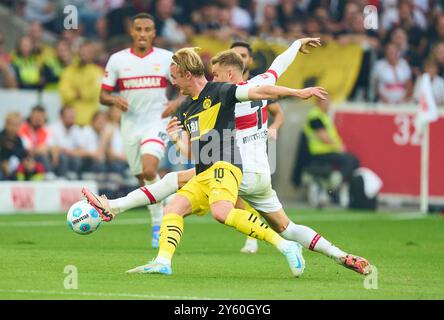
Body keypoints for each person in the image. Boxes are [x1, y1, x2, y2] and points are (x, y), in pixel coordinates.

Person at [84, 45, 369, 277]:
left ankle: (114, 206)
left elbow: (262, 91)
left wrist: (298, 93)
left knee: (186, 189)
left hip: (234, 168)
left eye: (218, 72)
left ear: (230, 73)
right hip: (253, 175)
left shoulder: (226, 92)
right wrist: (296, 45)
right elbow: (276, 69)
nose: (214, 76)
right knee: (283, 224)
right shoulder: (203, 102)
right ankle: (341, 255)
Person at [99, 13, 184, 248]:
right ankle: (162, 210)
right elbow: (103, 95)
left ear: (154, 33)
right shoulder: (117, 60)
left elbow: (186, 86)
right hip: (130, 125)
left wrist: (175, 104)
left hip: (156, 122)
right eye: (139, 29)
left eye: (148, 29)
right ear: (132, 32)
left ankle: (159, 222)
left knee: (149, 170)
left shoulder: (167, 58)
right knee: (143, 180)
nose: (143, 34)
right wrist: (115, 100)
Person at [230, 40, 285, 254]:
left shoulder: (259, 87)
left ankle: (254, 237)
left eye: (243, 55)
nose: (240, 59)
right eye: (235, 55)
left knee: (246, 192)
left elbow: (279, 113)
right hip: (229, 144)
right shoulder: (224, 87)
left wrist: (274, 128)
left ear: (250, 60)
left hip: (255, 147)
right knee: (235, 196)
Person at [303, 96, 360, 206]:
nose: (328, 104)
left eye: (329, 101)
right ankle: (335, 184)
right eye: (325, 101)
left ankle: (338, 184)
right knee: (349, 160)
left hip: (328, 151)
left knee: (353, 159)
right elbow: (323, 136)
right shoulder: (315, 116)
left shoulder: (324, 116)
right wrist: (338, 147)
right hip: (319, 152)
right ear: (318, 102)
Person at [59, 40, 103, 126]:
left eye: (87, 52)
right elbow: (64, 92)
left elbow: (97, 92)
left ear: (92, 54)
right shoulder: (68, 71)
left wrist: (77, 93)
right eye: (82, 52)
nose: (84, 55)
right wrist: (84, 93)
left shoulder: (98, 72)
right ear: (77, 53)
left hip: (90, 122)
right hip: (70, 122)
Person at [48, 106, 84, 179]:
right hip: (56, 157)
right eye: (69, 116)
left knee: (77, 159)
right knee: (63, 157)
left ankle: (73, 178)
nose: (72, 118)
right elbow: (51, 147)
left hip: (70, 155)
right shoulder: (53, 128)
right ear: (61, 117)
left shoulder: (76, 129)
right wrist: (64, 151)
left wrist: (69, 151)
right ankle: (60, 178)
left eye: (73, 116)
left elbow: (82, 149)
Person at [0, 112, 27, 180]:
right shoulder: (1, 137)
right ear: (6, 124)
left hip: (16, 169)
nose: (14, 127)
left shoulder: (19, 140)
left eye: (17, 125)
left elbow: (22, 155)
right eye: (12, 124)